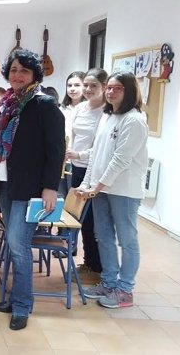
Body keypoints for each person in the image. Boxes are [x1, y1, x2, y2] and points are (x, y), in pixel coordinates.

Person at [0, 49, 65, 331]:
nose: (17, 75)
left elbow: (56, 150)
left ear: (34, 74)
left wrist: (50, 187)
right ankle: (15, 298)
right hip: (5, 183)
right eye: (13, 70)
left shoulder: (44, 104)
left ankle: (22, 305)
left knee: (19, 247)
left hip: (29, 188)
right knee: (13, 244)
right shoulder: (9, 103)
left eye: (24, 70)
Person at [78, 72, 148, 309]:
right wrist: (87, 184)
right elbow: (96, 154)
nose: (110, 92)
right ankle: (108, 282)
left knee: (127, 240)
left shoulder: (135, 119)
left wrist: (97, 186)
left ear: (129, 91)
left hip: (123, 191)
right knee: (103, 235)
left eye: (117, 88)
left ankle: (125, 289)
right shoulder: (108, 116)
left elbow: (121, 159)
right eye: (109, 88)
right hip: (101, 189)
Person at [60, 69, 107, 281]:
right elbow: (72, 135)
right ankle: (89, 262)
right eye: (86, 85)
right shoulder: (79, 108)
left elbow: (103, 146)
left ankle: (99, 265)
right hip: (77, 167)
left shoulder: (108, 112)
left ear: (104, 87)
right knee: (79, 216)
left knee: (95, 220)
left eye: (93, 86)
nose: (88, 90)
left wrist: (80, 153)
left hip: (95, 169)